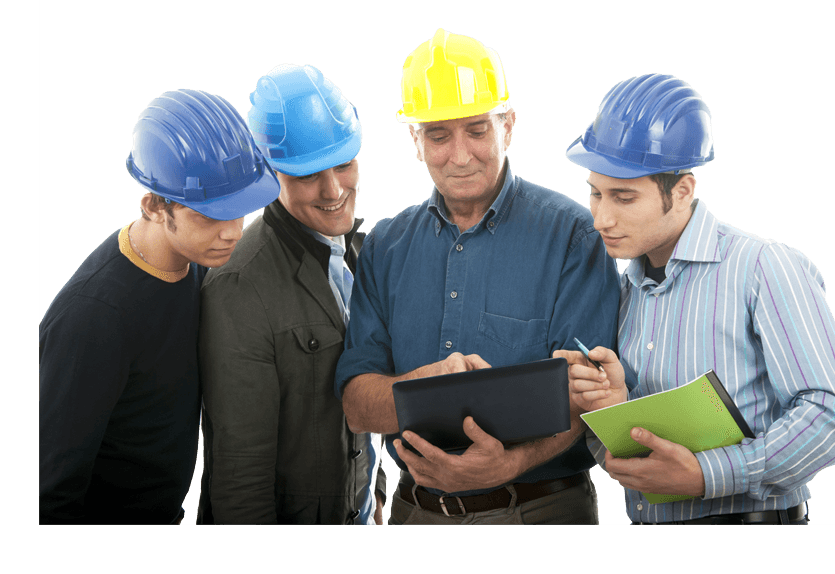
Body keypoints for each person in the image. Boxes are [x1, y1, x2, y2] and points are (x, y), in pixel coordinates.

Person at [334, 29, 620, 525]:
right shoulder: (385, 245)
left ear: (507, 125)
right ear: (415, 139)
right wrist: (416, 386)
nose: (461, 155)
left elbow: (588, 396)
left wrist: (508, 464)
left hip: (540, 513)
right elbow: (358, 405)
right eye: (439, 135)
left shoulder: (575, 235)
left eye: (477, 130)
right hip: (414, 514)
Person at [564, 73, 835, 524]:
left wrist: (709, 474)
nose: (601, 218)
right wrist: (612, 406)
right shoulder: (620, 288)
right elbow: (638, 451)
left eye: (624, 197)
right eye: (595, 193)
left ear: (683, 191)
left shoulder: (763, 267)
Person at [39, 89, 281, 524]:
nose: (231, 232)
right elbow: (45, 492)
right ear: (153, 205)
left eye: (239, 211)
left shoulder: (201, 264)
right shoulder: (93, 317)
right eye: (209, 215)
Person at [195, 64, 384, 525]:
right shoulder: (241, 285)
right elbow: (241, 480)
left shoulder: (363, 255)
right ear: (268, 174)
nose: (335, 189)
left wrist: (375, 499)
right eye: (308, 175)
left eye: (343, 164)